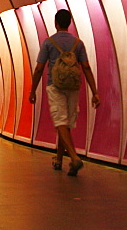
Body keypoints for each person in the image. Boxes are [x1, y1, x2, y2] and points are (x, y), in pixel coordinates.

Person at [28, 9, 100, 176]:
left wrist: (32, 90)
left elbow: (39, 68)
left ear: (56, 23)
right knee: (65, 124)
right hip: (73, 87)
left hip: (55, 86)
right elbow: (86, 67)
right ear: (69, 23)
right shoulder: (78, 43)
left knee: (60, 121)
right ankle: (59, 159)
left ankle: (74, 158)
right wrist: (95, 92)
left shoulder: (48, 43)